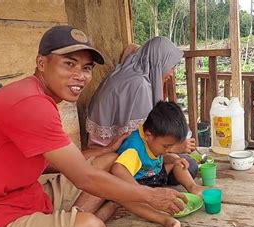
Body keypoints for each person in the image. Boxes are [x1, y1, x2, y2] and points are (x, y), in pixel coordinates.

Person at [0, 25, 187, 227]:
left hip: (28, 195)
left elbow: (61, 163)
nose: (80, 75)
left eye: (86, 68)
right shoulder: (31, 104)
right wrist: (151, 196)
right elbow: (85, 178)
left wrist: (105, 150)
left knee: (108, 161)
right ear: (41, 63)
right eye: (69, 64)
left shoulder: (39, 97)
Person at [85, 36, 199, 179]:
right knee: (190, 166)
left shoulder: (128, 73)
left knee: (181, 163)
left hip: (117, 150)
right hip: (113, 157)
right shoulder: (139, 84)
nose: (171, 73)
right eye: (170, 66)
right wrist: (176, 147)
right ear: (158, 63)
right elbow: (144, 138)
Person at [105, 101, 206, 227]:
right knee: (130, 201)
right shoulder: (134, 149)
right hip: (140, 183)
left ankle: (192, 187)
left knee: (178, 160)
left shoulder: (154, 138)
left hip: (153, 174)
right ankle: (165, 220)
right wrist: (140, 192)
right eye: (166, 146)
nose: (168, 149)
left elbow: (156, 157)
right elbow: (118, 168)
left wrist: (173, 159)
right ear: (148, 135)